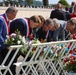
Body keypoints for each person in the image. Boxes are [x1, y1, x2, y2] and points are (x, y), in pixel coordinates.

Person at [0, 6, 18, 75]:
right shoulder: (1, 20)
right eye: (14, 15)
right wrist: (5, 44)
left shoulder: (7, 20)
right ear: (10, 13)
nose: (15, 17)